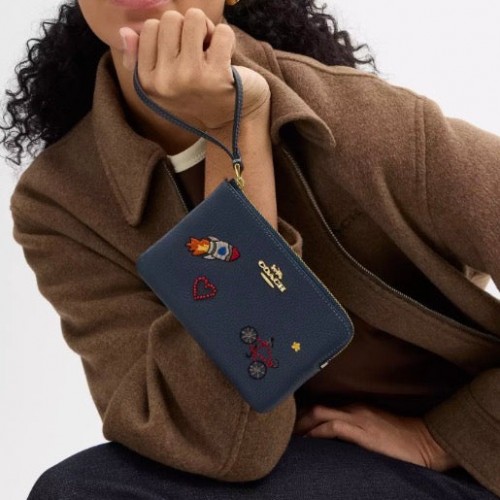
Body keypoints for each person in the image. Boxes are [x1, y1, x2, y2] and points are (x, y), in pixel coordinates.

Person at [2, 0, 499, 498]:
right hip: (284, 464)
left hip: (458, 472)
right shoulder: (61, 201)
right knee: (78, 490)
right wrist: (231, 134)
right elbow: (225, 446)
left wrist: (446, 439)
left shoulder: (361, 121)